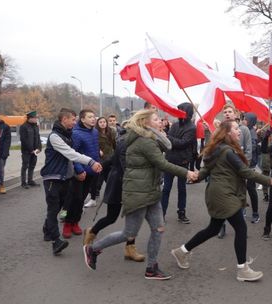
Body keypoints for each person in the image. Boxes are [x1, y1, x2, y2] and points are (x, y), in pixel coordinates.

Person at [83, 109, 197, 280]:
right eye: (157, 119)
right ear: (145, 123)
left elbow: (168, 146)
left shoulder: (151, 138)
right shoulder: (144, 141)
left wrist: (161, 134)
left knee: (158, 229)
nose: (161, 122)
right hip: (138, 191)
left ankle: (151, 268)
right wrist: (187, 173)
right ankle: (93, 248)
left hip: (150, 191)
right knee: (128, 234)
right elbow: (162, 163)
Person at [171, 119, 272, 282]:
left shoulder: (217, 149)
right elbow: (246, 172)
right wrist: (270, 181)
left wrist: (197, 176)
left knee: (213, 229)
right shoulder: (227, 151)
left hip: (219, 194)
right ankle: (242, 269)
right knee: (241, 228)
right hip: (224, 196)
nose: (239, 131)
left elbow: (205, 170)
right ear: (228, 133)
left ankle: (182, 251)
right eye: (236, 128)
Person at [41, 108, 103, 256]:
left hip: (64, 177)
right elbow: (71, 153)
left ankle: (47, 229)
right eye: (73, 119)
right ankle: (56, 241)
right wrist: (90, 162)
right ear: (64, 120)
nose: (74, 122)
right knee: (53, 208)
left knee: (59, 207)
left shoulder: (67, 134)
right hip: (52, 176)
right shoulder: (55, 136)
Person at [83, 121, 145, 262]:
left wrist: (101, 165)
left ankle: (130, 248)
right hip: (119, 184)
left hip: (129, 185)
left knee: (134, 219)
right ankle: (92, 231)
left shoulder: (136, 140)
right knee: (112, 217)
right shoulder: (126, 141)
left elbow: (111, 158)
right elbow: (125, 167)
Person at [63, 109, 100, 239]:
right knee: (75, 199)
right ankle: (67, 224)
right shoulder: (76, 134)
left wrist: (98, 164)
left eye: (94, 116)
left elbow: (94, 151)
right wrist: (79, 170)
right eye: (90, 117)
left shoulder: (95, 132)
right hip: (80, 172)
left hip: (91, 172)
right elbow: (73, 154)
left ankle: (75, 223)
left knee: (82, 199)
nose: (93, 119)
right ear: (82, 119)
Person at [217, 105, 252, 238]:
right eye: (225, 112)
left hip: (240, 170)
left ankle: (241, 227)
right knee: (224, 199)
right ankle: (222, 226)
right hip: (226, 171)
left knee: (240, 198)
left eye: (229, 111)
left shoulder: (244, 130)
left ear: (236, 113)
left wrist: (243, 167)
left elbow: (248, 151)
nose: (227, 114)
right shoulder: (220, 130)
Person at [161, 102, 197, 223]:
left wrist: (167, 136)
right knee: (166, 188)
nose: (178, 113)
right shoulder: (175, 125)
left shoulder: (192, 127)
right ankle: (161, 214)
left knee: (182, 188)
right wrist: (168, 138)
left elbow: (183, 143)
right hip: (170, 161)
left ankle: (181, 213)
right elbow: (170, 143)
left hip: (182, 161)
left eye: (180, 111)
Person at [85, 117, 116, 207]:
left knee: (110, 178)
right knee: (97, 178)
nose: (103, 123)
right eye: (100, 122)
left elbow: (114, 144)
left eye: (104, 122)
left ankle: (113, 196)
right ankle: (93, 197)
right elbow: (92, 143)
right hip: (100, 159)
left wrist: (116, 154)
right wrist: (98, 150)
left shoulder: (111, 132)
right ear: (97, 124)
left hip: (110, 158)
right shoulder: (95, 133)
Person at [242, 112, 261, 223]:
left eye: (245, 119)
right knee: (243, 188)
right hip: (243, 164)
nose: (243, 121)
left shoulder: (252, 132)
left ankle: (255, 213)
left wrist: (244, 147)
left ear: (250, 121)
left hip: (250, 165)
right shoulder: (245, 130)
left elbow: (252, 147)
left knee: (251, 188)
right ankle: (243, 210)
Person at [19, 110, 42, 189]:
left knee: (32, 166)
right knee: (25, 166)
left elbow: (38, 138)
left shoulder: (36, 126)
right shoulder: (23, 127)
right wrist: (30, 149)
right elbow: (23, 140)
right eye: (35, 118)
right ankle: (23, 182)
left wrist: (39, 148)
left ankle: (30, 180)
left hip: (35, 151)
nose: (36, 119)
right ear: (30, 118)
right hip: (26, 151)